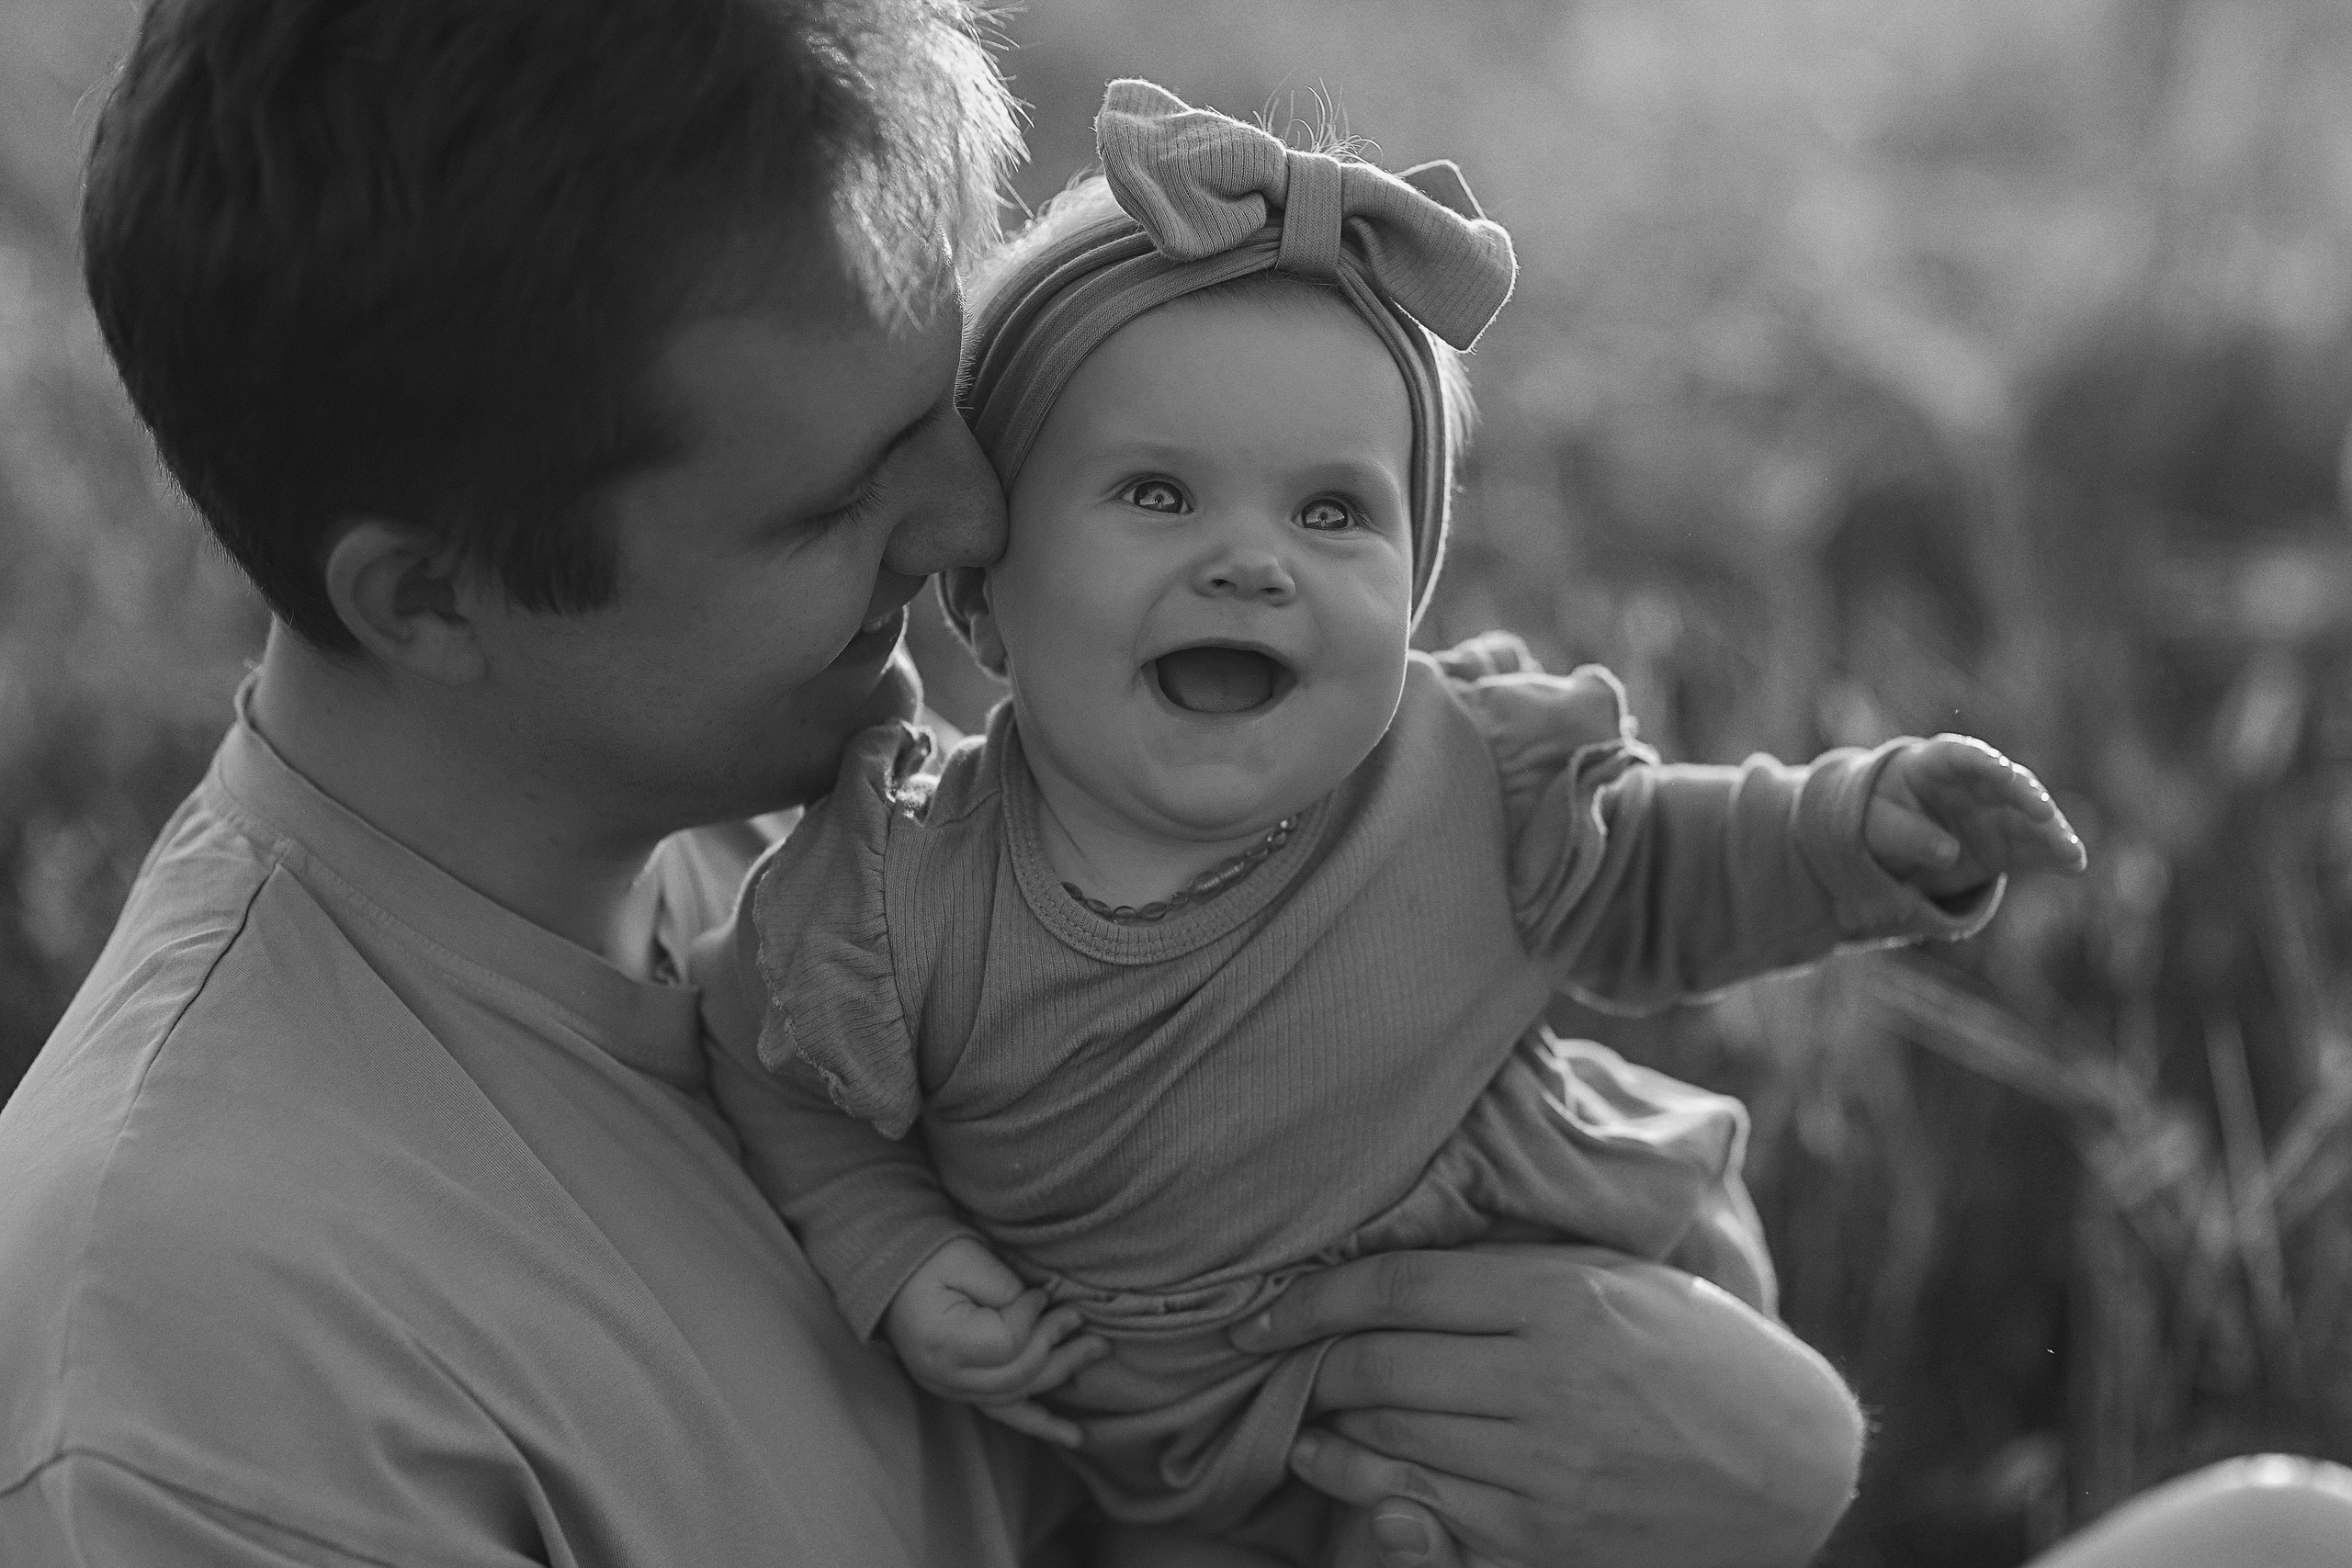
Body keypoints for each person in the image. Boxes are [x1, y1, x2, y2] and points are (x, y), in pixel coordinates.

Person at [0, 4, 1879, 1566]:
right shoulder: (211, 1383)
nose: (975, 520)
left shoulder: (845, 829)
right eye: (833, 500)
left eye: (950, 414)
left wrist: (1710, 1420)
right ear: (425, 594)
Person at [695, 80, 2086, 1565]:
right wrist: (893, 1249)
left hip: (1584, 1319)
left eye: (1334, 515)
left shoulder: (1466, 778)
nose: (1252, 564)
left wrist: (1855, 832)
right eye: (1158, 493)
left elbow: (1665, 869)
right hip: (1202, 1478)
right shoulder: (906, 896)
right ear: (984, 591)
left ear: (1415, 590)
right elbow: (766, 1057)